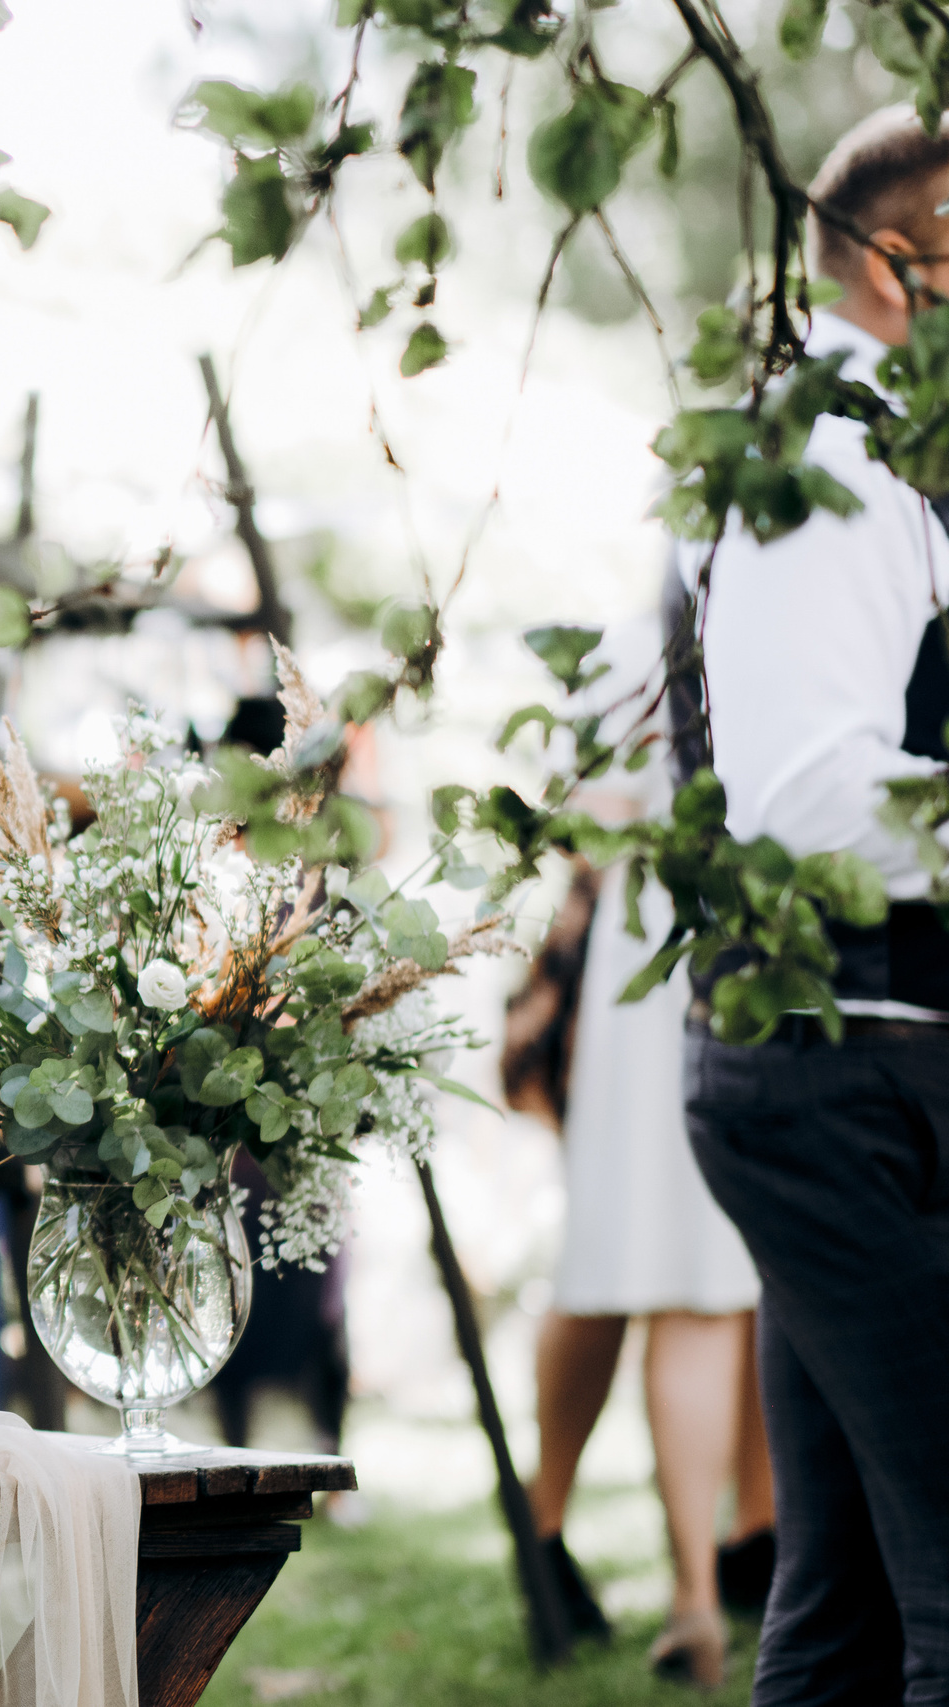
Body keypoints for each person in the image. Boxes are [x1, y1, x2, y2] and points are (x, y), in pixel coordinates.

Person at [678, 106, 949, 1707]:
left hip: (868, 1067)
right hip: (842, 1081)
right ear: (909, 263)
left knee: (840, 1614)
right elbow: (808, 802)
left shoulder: (885, 456)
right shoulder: (828, 457)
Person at [513, 670, 775, 1687]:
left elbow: (580, 811)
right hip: (696, 946)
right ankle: (698, 1596)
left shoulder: (650, 622)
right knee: (694, 1277)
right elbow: (587, 810)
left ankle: (739, 1547)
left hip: (665, 943)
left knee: (661, 1264)